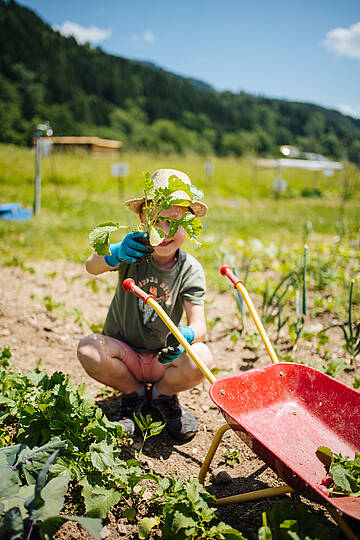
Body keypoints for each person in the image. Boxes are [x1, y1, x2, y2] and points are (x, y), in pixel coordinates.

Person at [77, 169, 213, 441]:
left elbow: (199, 325)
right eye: (157, 221)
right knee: (89, 349)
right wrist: (115, 252)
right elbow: (92, 266)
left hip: (165, 358)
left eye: (175, 222)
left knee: (202, 357)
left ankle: (163, 396)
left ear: (190, 224)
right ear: (142, 219)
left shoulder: (190, 269)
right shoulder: (132, 252)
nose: (164, 231)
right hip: (124, 355)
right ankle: (134, 395)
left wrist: (186, 336)